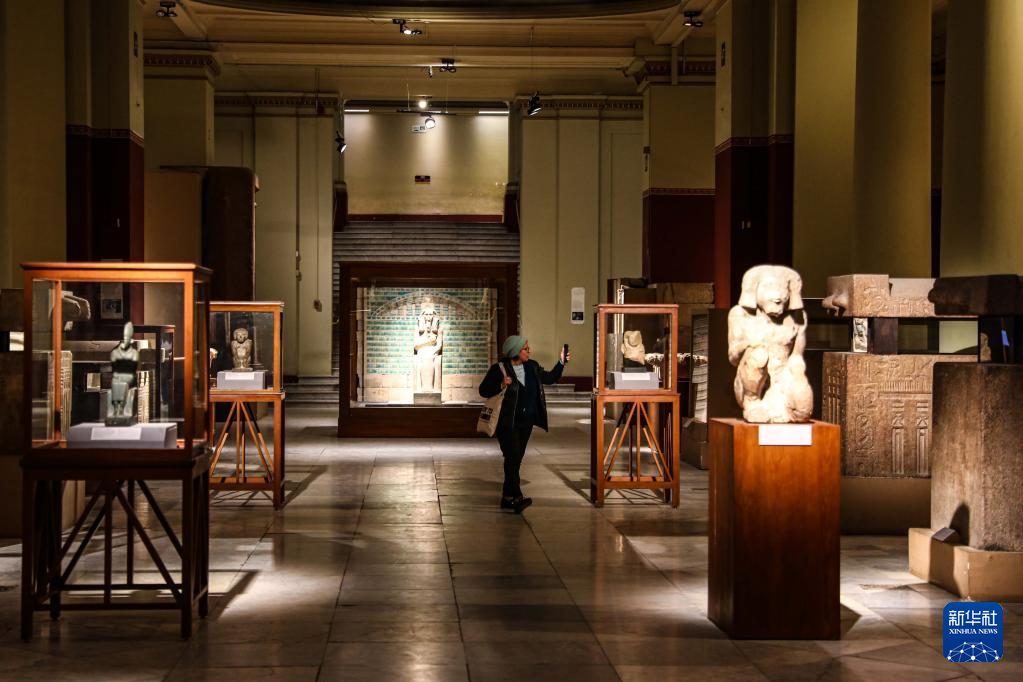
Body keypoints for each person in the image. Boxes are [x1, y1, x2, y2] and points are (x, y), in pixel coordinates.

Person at [479, 336, 570, 513]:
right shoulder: (499, 369)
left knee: (515, 459)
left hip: (526, 423)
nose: (529, 351)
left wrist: (561, 362)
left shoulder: (532, 366)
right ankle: (516, 497)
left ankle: (507, 497)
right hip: (507, 423)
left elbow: (549, 378)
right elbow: (483, 390)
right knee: (512, 457)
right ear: (515, 351)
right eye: (525, 349)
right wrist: (501, 384)